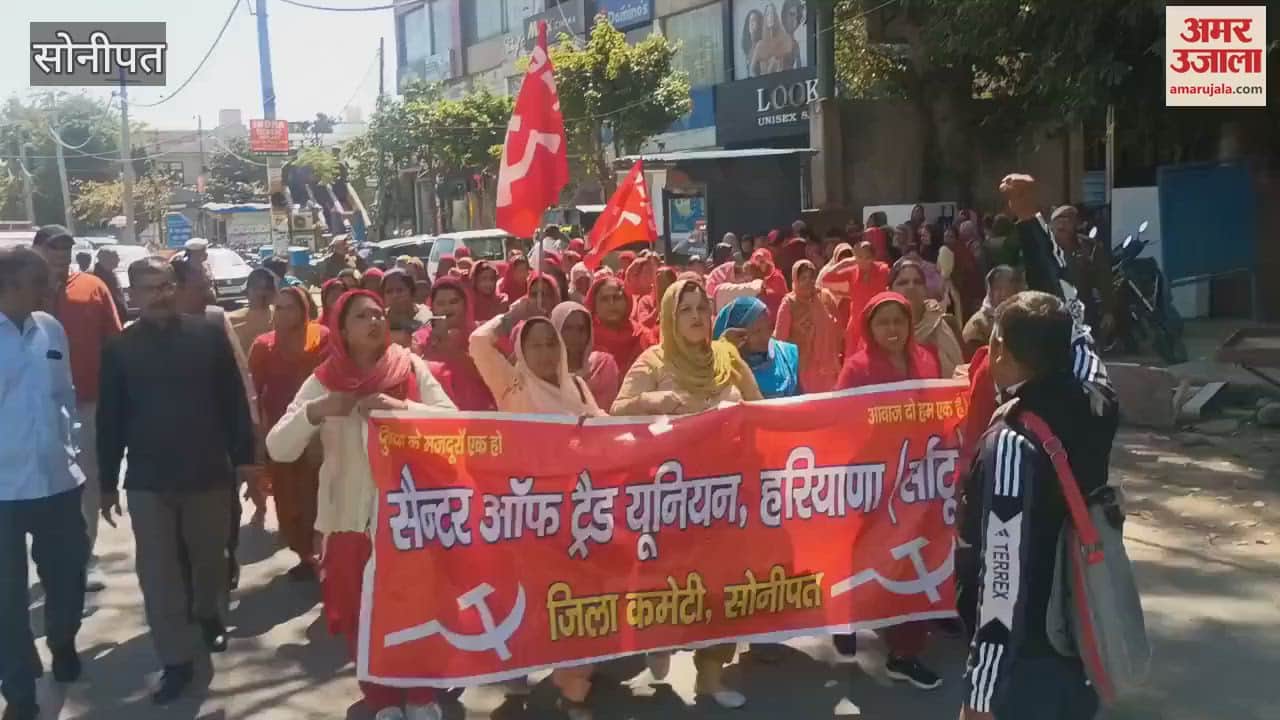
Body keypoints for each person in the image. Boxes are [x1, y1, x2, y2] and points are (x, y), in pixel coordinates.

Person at [266, 289, 455, 720]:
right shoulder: (323, 381)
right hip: (348, 522)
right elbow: (279, 447)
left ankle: (421, 695)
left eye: (378, 314)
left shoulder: (409, 367)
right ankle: (382, 698)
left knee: (416, 611)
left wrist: (401, 408)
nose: (374, 321)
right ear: (342, 329)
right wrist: (317, 411)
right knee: (360, 617)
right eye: (361, 316)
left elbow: (452, 423)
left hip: (409, 520)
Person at [97, 257, 255, 704]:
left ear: (176, 288)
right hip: (149, 481)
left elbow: (234, 402)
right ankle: (176, 661)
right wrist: (107, 481)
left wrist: (246, 459)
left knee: (210, 563)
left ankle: (207, 615)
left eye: (165, 285)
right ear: (132, 297)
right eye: (148, 289)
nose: (160, 295)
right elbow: (110, 421)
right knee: (159, 574)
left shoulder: (206, 336)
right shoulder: (119, 350)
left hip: (207, 473)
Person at [960, 291, 1118, 720]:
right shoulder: (1097, 402)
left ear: (996, 348)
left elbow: (1002, 581)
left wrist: (981, 694)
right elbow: (1086, 348)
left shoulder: (1011, 444)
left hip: (1028, 663)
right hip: (1082, 635)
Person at [610, 279, 760, 707]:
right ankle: (656, 638)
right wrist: (652, 400)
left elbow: (760, 408)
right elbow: (615, 412)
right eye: (685, 309)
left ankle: (710, 678)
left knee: (721, 587)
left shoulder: (727, 358)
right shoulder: (653, 361)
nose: (696, 316)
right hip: (671, 503)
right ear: (670, 317)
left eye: (702, 308)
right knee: (670, 586)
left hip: (726, 498)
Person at [832, 291, 943, 690]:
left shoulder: (925, 359)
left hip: (916, 481)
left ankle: (904, 652)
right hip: (873, 483)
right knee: (863, 557)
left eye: (899, 321)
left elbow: (937, 410)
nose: (892, 330)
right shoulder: (857, 369)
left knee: (911, 561)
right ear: (868, 328)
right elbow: (842, 423)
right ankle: (847, 619)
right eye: (883, 323)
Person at [0, 248, 89, 720]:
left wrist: (72, 449)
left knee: (69, 577)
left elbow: (65, 394)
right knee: (6, 598)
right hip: (3, 492)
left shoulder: (50, 329)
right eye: (40, 282)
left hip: (57, 481)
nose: (49, 290)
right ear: (11, 284)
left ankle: (62, 640)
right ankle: (18, 691)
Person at [31, 225, 121, 590]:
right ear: (37, 249)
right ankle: (45, 558)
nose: (60, 256)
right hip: (29, 408)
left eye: (66, 249)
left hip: (87, 403)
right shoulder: (16, 289)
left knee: (86, 482)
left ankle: (82, 560)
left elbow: (114, 342)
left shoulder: (92, 287)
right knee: (34, 486)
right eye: (53, 248)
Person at [247, 287, 329, 580]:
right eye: (278, 308)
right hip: (280, 434)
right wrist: (256, 438)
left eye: (290, 307)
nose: (282, 314)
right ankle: (304, 555)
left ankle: (325, 554)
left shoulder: (323, 338)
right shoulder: (263, 346)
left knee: (319, 495)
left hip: (319, 432)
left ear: (305, 308)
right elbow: (253, 392)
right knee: (288, 497)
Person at [411, 278, 496, 412]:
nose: (447, 308)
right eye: (441, 303)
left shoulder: (481, 335)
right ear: (432, 307)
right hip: (437, 416)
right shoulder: (420, 339)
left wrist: (454, 352)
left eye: (454, 302)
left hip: (478, 416)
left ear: (465, 304)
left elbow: (493, 376)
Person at [775, 260, 842, 393]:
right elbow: (780, 339)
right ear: (795, 280)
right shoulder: (789, 304)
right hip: (803, 368)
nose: (808, 282)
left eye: (811, 277)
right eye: (803, 278)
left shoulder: (825, 298)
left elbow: (838, 328)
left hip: (828, 367)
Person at [714, 296, 800, 398]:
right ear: (737, 333)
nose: (766, 336)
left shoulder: (787, 355)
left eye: (768, 327)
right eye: (757, 331)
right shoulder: (725, 370)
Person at [1049, 204, 1115, 337]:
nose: (1063, 225)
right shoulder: (1042, 247)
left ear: (1075, 225)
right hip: (1049, 312)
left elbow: (1104, 281)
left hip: (1082, 312)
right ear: (1051, 225)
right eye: (1059, 221)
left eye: (1068, 221)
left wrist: (1108, 312)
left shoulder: (1089, 247)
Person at [889, 261, 963, 377]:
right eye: (903, 283)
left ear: (925, 290)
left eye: (917, 282)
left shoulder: (942, 324)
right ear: (889, 291)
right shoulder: (879, 329)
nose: (911, 287)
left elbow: (959, 373)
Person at [819, 240, 890, 357]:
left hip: (876, 321)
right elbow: (826, 278)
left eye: (867, 257)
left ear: (872, 258)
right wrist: (844, 263)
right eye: (859, 257)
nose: (863, 261)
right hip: (856, 325)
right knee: (852, 359)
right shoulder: (852, 272)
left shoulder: (882, 270)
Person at [552, 301, 622, 409]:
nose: (575, 335)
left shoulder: (603, 365)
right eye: (568, 329)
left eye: (581, 329)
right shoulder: (546, 371)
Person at [584, 275, 653, 375]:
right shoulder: (586, 337)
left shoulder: (643, 336)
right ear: (595, 305)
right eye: (604, 299)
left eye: (617, 297)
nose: (611, 303)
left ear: (627, 301)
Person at [962, 266, 1023, 356]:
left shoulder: (1018, 318)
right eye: (999, 288)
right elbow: (974, 363)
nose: (1018, 295)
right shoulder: (978, 325)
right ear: (993, 291)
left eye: (1016, 289)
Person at [939, 222, 985, 322]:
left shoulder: (952, 251)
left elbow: (945, 273)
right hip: (959, 291)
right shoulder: (958, 250)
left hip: (958, 290)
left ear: (956, 238)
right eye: (946, 236)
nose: (947, 239)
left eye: (950, 236)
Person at [228, 268, 278, 355]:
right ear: (247, 291)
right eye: (257, 288)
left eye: (267, 288)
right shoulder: (231, 321)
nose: (261, 293)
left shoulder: (281, 317)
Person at [747, 248, 788, 322]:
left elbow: (782, 297)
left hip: (776, 317)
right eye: (756, 261)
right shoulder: (751, 278)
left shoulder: (778, 277)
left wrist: (765, 292)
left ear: (768, 262)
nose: (759, 264)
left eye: (762, 262)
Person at [92, 247, 128, 324]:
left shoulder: (110, 273)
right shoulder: (98, 277)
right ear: (106, 259)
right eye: (115, 257)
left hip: (118, 318)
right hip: (108, 320)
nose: (118, 260)